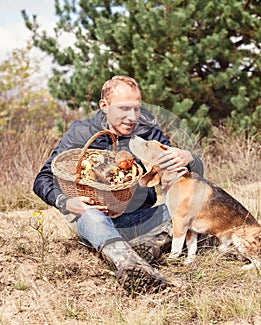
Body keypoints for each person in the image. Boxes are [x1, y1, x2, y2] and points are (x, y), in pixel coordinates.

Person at [33, 76, 204, 294]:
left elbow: (184, 179)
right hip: (98, 221)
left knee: (195, 206)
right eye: (124, 108)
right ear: (104, 106)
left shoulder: (148, 133)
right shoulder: (81, 132)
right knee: (91, 216)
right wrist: (66, 202)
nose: (132, 117)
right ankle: (131, 263)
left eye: (136, 109)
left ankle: (151, 245)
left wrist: (188, 157)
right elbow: (43, 178)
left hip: (142, 217)